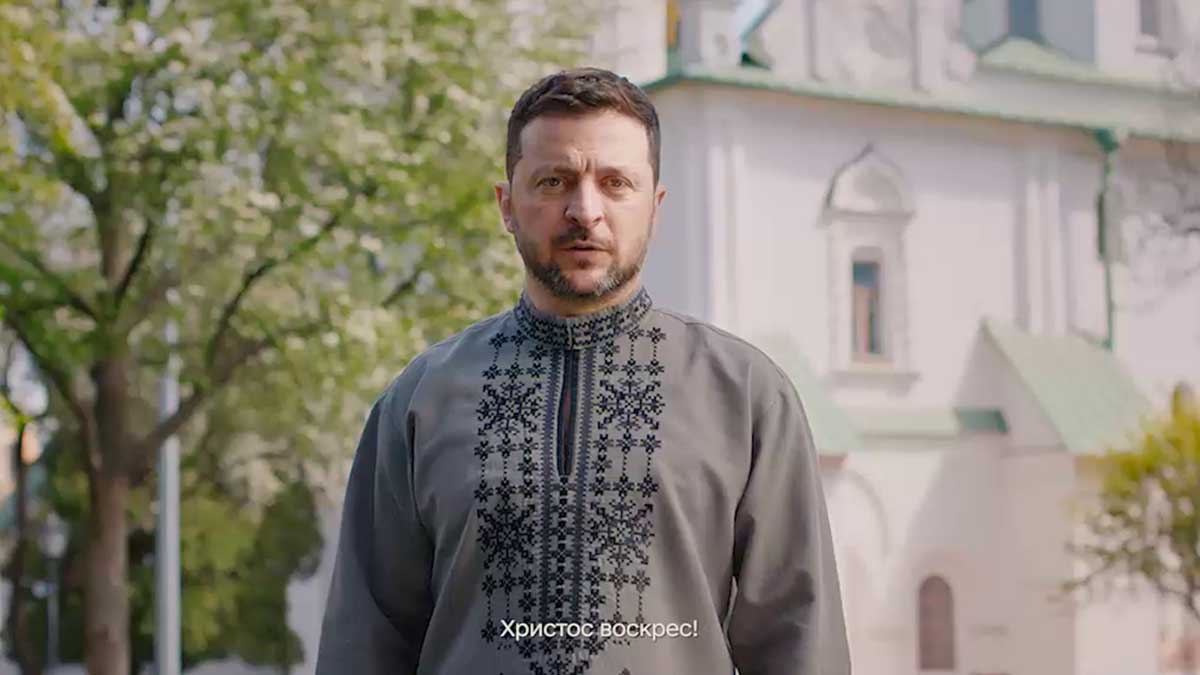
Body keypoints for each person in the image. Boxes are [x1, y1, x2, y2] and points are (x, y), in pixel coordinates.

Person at [315, 67, 851, 675]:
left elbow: (800, 647)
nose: (584, 210)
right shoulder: (420, 401)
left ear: (655, 205)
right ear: (506, 204)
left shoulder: (747, 398)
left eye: (615, 182)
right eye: (554, 181)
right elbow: (363, 647)